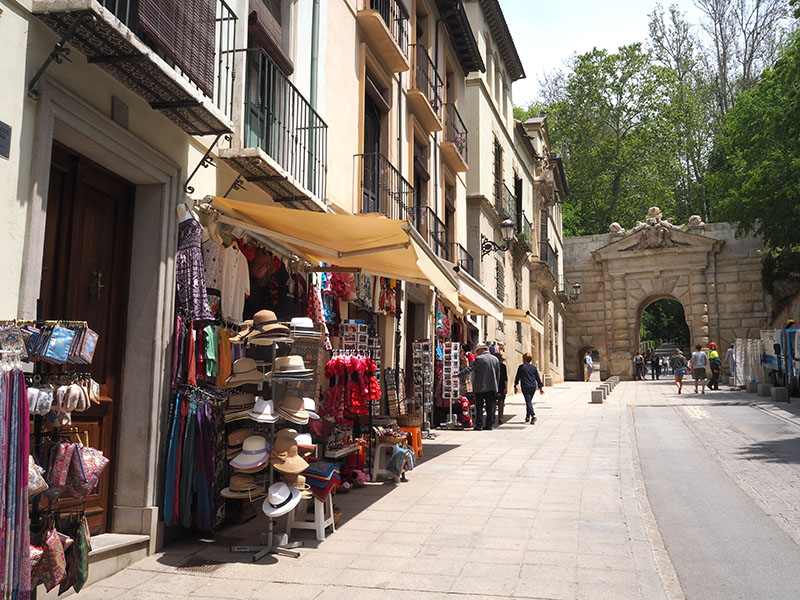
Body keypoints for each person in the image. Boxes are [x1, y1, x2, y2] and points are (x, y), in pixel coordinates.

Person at [460, 343, 500, 430]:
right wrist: (496, 386)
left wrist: (458, 375)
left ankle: (479, 424)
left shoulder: (479, 359)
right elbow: (498, 374)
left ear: (481, 350)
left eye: (477, 351)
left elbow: (469, 369)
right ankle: (489, 425)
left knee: (479, 406)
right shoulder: (495, 359)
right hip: (492, 386)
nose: (477, 353)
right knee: (490, 406)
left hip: (480, 386)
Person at [514, 353, 545, 424]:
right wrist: (540, 387)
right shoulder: (533, 368)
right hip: (533, 386)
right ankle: (527, 416)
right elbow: (537, 378)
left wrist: (515, 385)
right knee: (529, 401)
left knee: (528, 401)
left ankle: (533, 416)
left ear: (524, 359)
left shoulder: (521, 367)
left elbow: (517, 377)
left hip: (525, 386)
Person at [496, 354, 508, 425]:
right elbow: (505, 378)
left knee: (493, 402)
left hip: (494, 386)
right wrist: (506, 387)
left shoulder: (493, 366)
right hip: (501, 386)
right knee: (501, 403)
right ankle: (500, 418)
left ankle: (492, 416)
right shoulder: (503, 366)